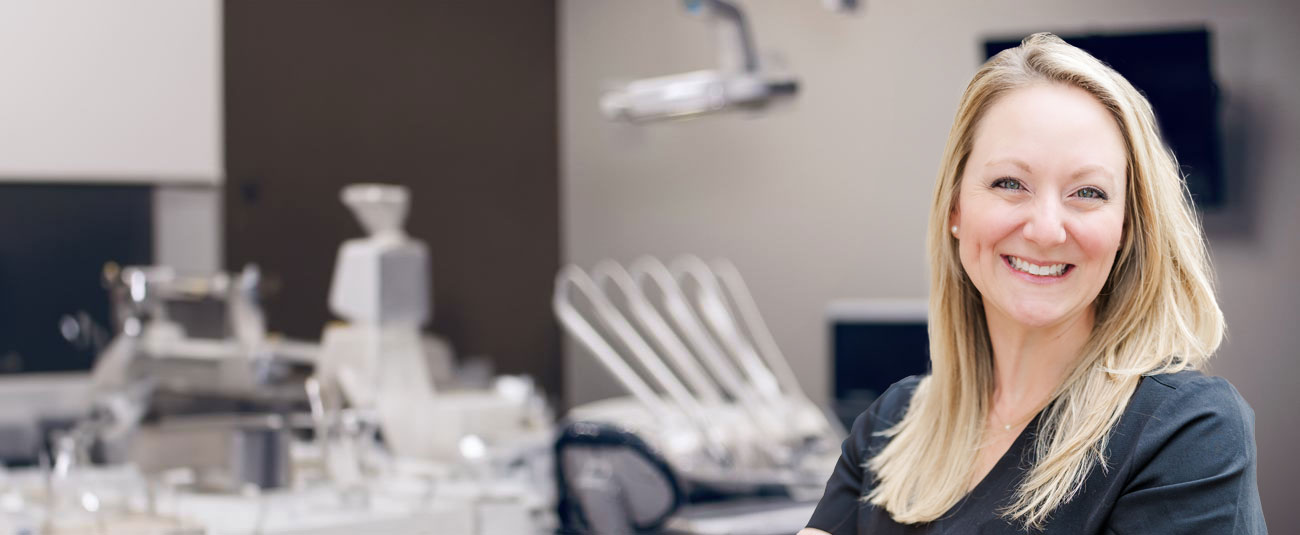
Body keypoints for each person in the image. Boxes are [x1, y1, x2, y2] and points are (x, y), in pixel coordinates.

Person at [800, 33, 1266, 534]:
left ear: (1126, 228)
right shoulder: (891, 425)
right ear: (955, 208)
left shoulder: (1186, 432)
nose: (1046, 228)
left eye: (1087, 192)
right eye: (1009, 184)